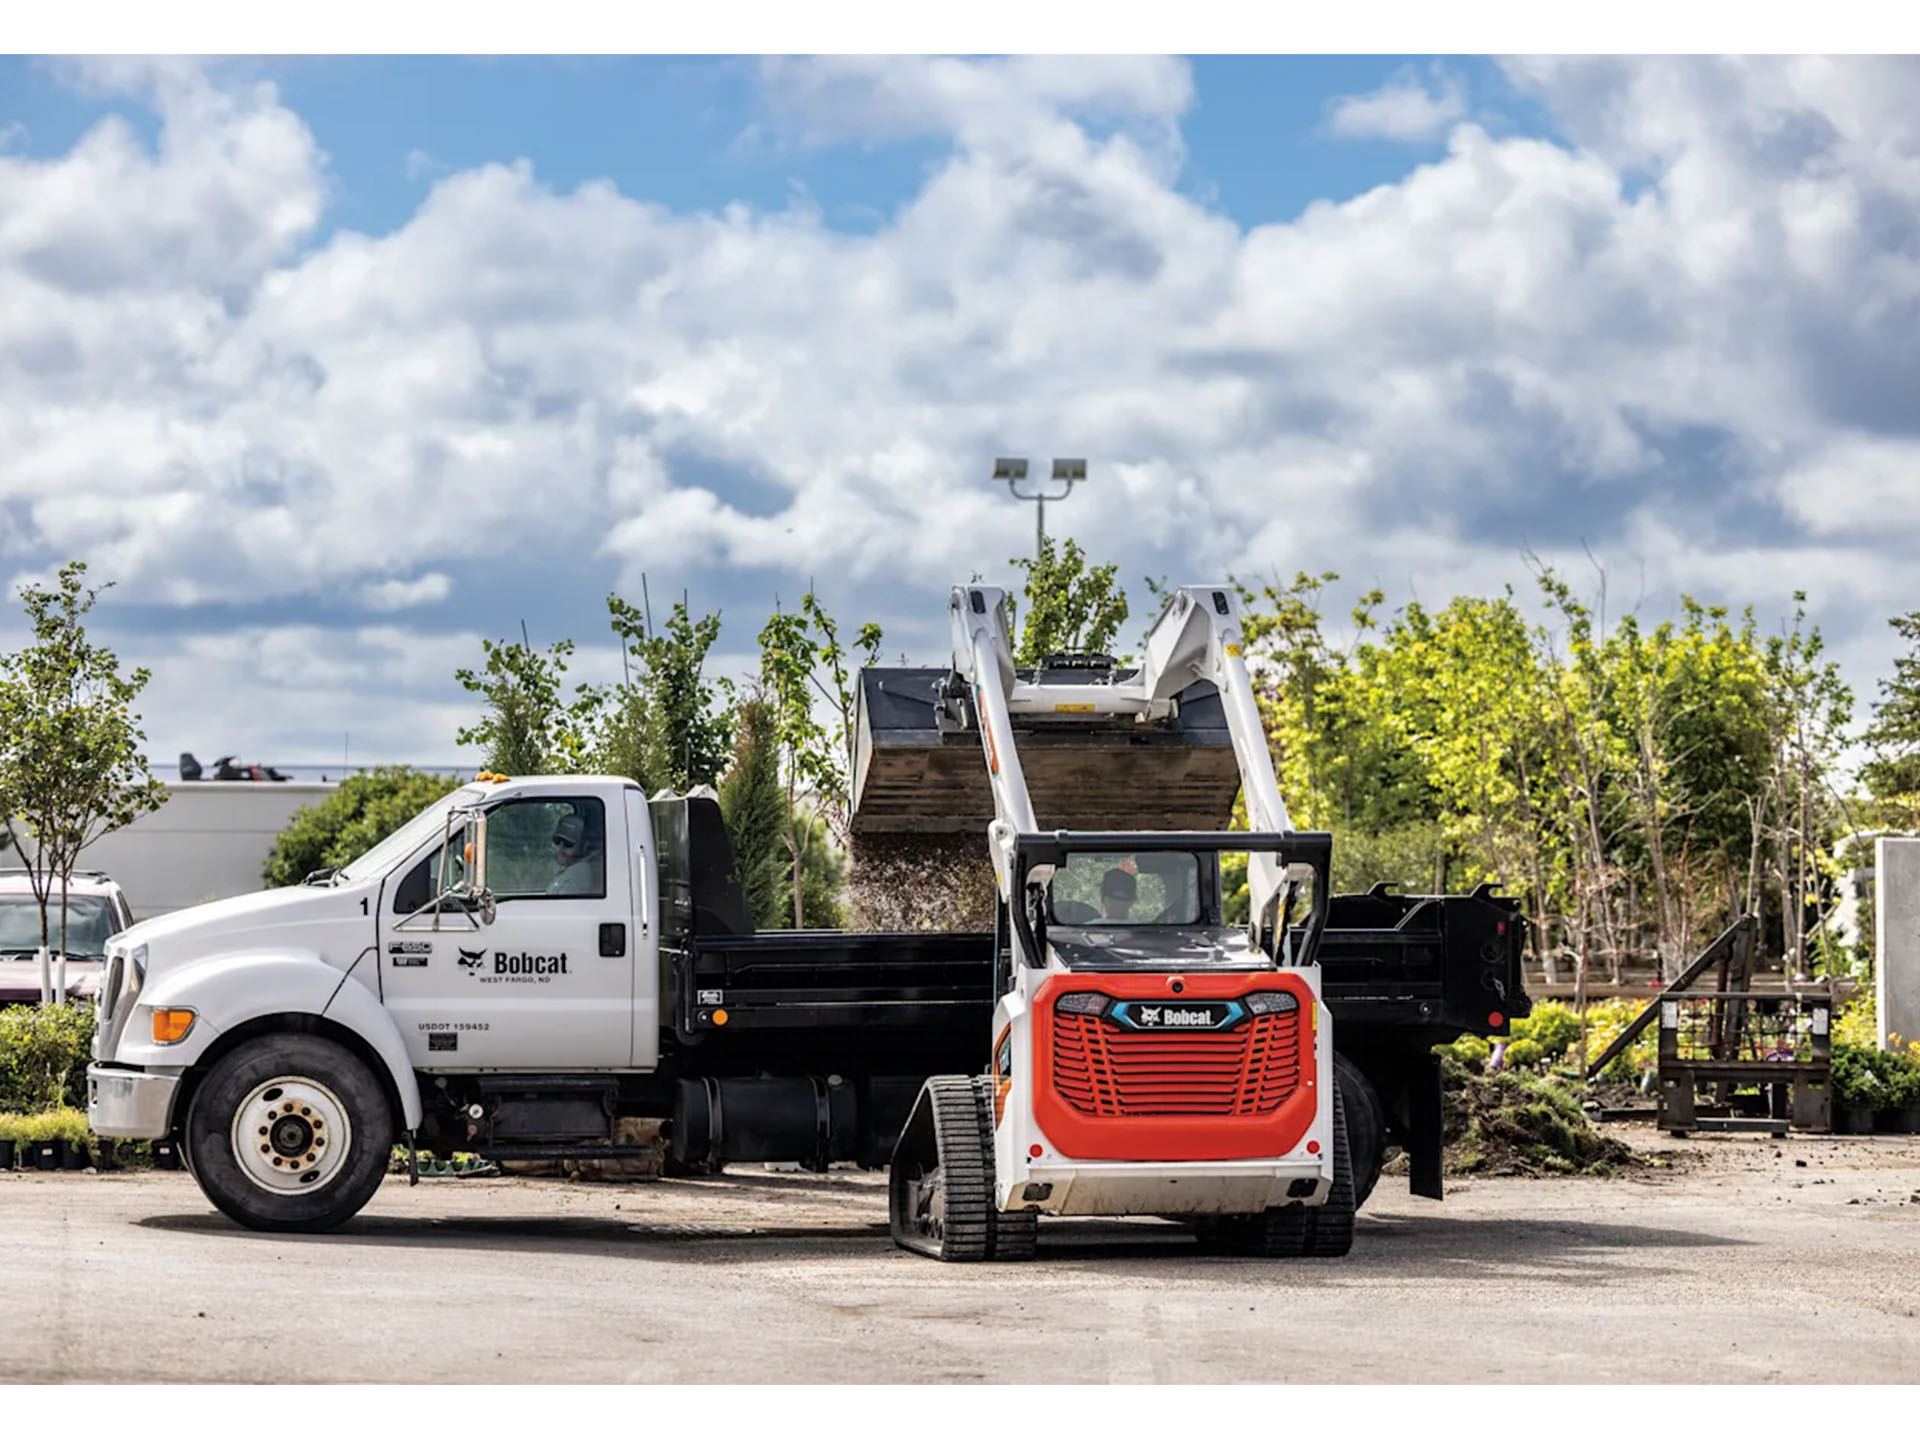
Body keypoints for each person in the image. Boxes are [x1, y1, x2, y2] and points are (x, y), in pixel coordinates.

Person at [547, 813, 603, 895]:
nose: (560, 848)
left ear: (584, 845)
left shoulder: (578, 874)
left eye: (568, 843)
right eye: (557, 840)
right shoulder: (568, 869)